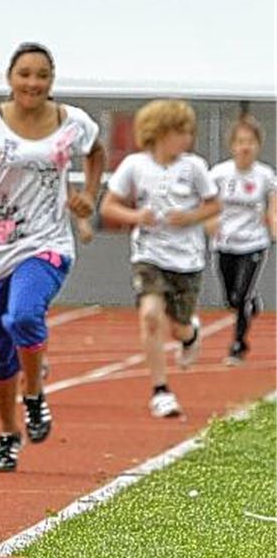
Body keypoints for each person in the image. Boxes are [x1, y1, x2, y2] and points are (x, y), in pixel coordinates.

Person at [0, 42, 104, 472]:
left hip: (47, 243)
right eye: (25, 74)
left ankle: (35, 394)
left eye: (41, 75)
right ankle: (7, 433)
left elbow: (96, 151)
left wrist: (89, 196)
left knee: (23, 316)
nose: (33, 83)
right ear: (10, 78)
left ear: (52, 80)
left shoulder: (72, 122)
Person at [100, 100, 220, 417]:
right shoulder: (135, 166)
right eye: (181, 131)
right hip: (149, 254)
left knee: (178, 327)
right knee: (150, 315)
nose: (187, 138)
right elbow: (109, 206)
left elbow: (213, 205)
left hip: (187, 259)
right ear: (161, 132)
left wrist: (190, 216)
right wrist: (137, 215)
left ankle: (190, 334)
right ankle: (160, 390)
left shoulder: (194, 167)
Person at [208, 116, 276, 366]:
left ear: (258, 145)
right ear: (232, 145)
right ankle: (250, 304)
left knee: (243, 293)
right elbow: (205, 203)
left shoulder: (264, 175)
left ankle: (238, 346)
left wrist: (273, 228)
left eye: (250, 141)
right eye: (240, 141)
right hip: (225, 242)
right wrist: (209, 223)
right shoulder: (219, 174)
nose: (245, 147)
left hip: (253, 242)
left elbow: (272, 206)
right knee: (232, 298)